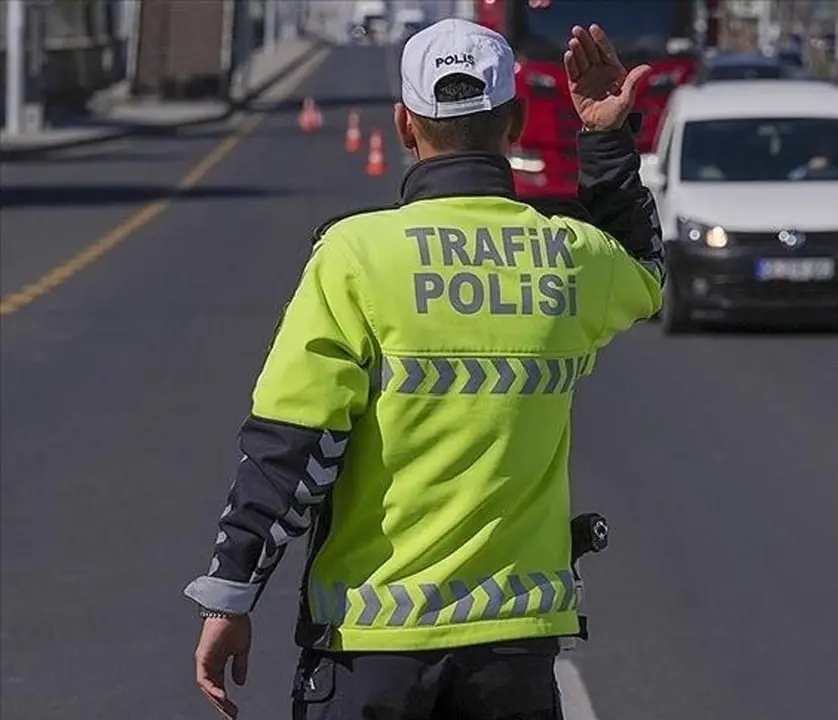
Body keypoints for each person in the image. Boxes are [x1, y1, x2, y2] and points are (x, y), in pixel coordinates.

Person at [183, 18, 664, 720]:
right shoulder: (566, 256)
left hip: (369, 650)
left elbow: (293, 446)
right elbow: (646, 271)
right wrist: (605, 138)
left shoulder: (355, 256)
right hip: (514, 655)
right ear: (518, 122)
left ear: (406, 125)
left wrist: (232, 593)